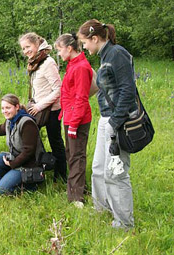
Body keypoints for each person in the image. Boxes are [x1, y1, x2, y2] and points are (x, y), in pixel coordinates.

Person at [78, 19, 138, 229]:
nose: (84, 47)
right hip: (106, 119)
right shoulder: (104, 56)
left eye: (85, 42)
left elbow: (128, 90)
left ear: (95, 38)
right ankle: (101, 208)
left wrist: (115, 121)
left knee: (116, 173)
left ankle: (123, 223)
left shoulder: (117, 54)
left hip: (117, 121)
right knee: (98, 169)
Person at [19, 32, 67, 183]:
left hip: (51, 110)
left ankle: (61, 176)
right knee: (31, 140)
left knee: (55, 142)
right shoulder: (35, 62)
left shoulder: (48, 62)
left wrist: (39, 106)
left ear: (37, 44)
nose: (26, 51)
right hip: (37, 109)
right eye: (23, 48)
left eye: (28, 47)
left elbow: (58, 90)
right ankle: (34, 171)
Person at [54, 33, 93, 208]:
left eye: (60, 50)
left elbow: (81, 98)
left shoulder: (81, 67)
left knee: (76, 156)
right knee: (72, 154)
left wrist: (74, 124)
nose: (59, 54)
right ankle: (79, 189)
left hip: (78, 118)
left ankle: (76, 198)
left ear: (69, 48)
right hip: (69, 117)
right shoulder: (72, 65)